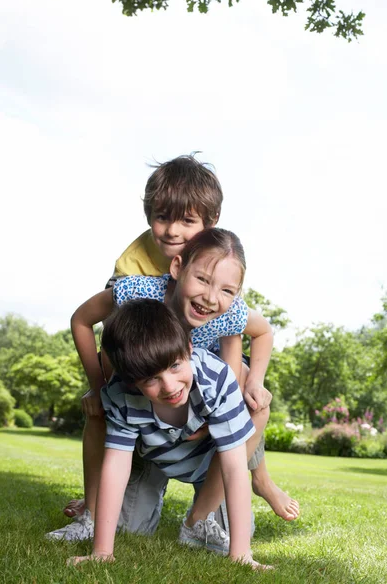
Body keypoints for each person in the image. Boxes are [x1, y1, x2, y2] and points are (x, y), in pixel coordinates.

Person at [47, 227, 299, 542]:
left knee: (252, 401)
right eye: (203, 280)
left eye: (225, 290)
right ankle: (95, 512)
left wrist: (253, 384)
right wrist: (97, 386)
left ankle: (209, 511)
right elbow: (82, 319)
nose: (210, 297)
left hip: (198, 395)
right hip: (147, 400)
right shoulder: (138, 293)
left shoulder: (226, 314)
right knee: (125, 525)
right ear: (177, 268)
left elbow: (262, 333)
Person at [68, 299, 273, 570]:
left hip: (210, 467)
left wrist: (241, 554)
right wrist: (102, 551)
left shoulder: (216, 379)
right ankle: (138, 495)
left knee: (229, 534)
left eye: (175, 366)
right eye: (150, 380)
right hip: (157, 459)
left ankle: (197, 518)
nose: (169, 386)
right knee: (126, 528)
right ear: (132, 381)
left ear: (189, 348)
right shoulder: (121, 394)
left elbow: (234, 469)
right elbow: (115, 467)